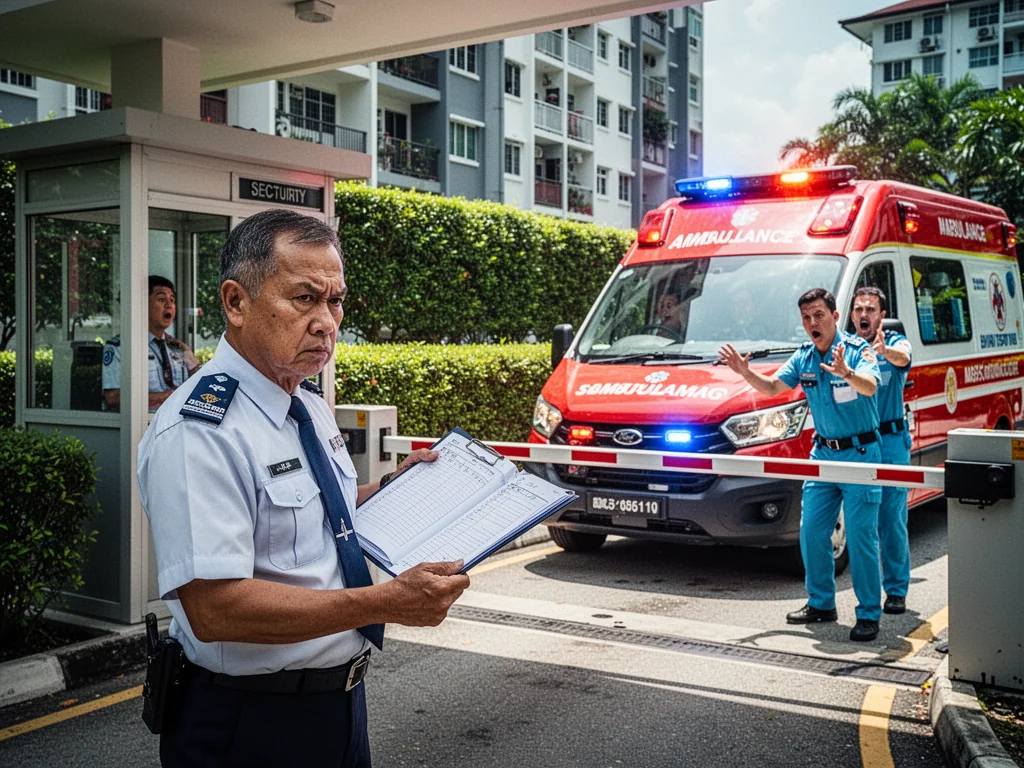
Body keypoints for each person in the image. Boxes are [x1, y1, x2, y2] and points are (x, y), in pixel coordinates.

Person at [137, 209, 470, 766]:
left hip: (339, 705)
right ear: (236, 302)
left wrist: (391, 487)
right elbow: (217, 608)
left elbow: (318, 513)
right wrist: (386, 602)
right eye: (305, 298)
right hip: (250, 721)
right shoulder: (200, 430)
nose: (325, 322)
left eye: (335, 301)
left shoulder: (305, 403)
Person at [719, 288, 884, 642]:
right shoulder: (805, 356)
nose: (812, 323)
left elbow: (870, 386)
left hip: (861, 454)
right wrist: (745, 372)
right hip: (823, 455)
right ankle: (821, 603)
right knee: (811, 532)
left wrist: (847, 373)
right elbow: (772, 387)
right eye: (807, 317)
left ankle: (869, 612)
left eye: (819, 315)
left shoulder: (857, 350)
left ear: (835, 317)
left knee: (860, 536)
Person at [851, 286, 913, 615]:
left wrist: (884, 351)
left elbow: (904, 359)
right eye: (859, 309)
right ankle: (865, 595)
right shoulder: (845, 349)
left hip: (890, 441)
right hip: (858, 444)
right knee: (862, 524)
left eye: (870, 309)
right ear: (851, 315)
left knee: (891, 519)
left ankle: (897, 589)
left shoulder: (895, 342)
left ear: (882, 315)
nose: (864, 314)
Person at [102, 276, 200, 412]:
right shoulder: (121, 347)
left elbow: (200, 385)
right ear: (142, 305)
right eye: (161, 299)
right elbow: (112, 398)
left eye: (172, 300)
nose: (169, 305)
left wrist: (188, 352)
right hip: (144, 423)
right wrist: (166, 397)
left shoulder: (176, 348)